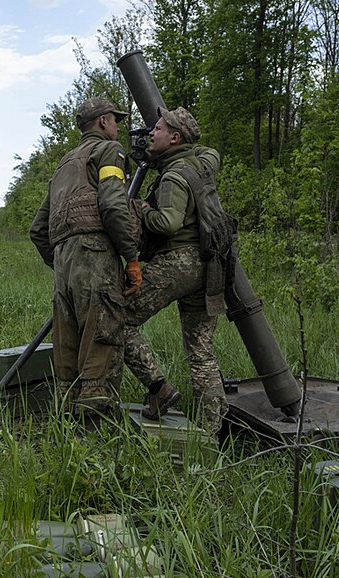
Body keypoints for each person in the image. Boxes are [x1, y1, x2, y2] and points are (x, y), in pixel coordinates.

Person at [29, 97, 143, 419]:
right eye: (115, 121)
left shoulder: (64, 165)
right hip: (95, 256)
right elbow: (112, 205)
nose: (118, 127)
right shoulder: (108, 151)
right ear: (104, 122)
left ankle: (66, 427)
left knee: (67, 346)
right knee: (101, 340)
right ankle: (96, 434)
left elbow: (38, 229)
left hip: (64, 261)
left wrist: (66, 258)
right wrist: (131, 258)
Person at [123, 106, 230, 436]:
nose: (150, 133)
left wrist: (141, 208)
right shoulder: (202, 163)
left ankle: (158, 386)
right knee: (201, 354)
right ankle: (214, 432)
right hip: (210, 266)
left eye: (157, 128)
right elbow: (210, 152)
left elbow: (167, 223)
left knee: (116, 318)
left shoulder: (173, 176)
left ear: (175, 137)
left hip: (178, 263)